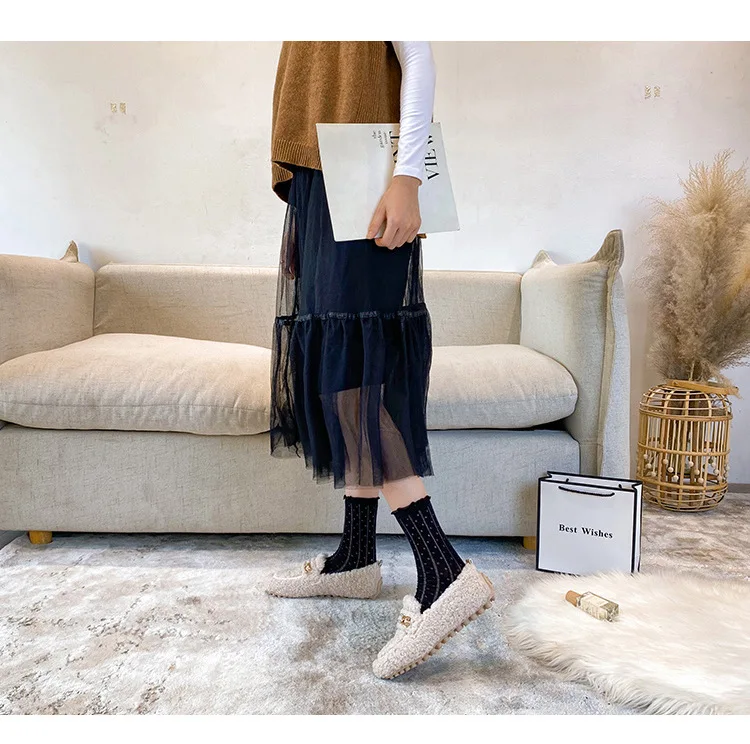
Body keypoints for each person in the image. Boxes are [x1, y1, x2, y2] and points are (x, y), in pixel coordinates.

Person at [262, 41, 494, 680]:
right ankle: (357, 556)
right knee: (341, 370)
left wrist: (407, 175)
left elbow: (417, 56)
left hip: (367, 178)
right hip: (323, 179)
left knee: (356, 371)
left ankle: (442, 569)